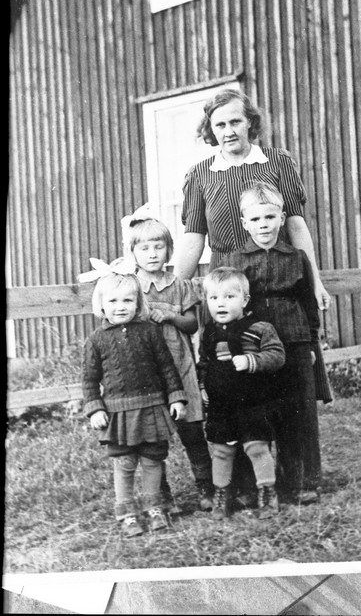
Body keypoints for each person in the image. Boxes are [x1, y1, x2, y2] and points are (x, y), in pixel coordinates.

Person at [173, 87, 332, 503]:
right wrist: (175, 289)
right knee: (237, 385)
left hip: (280, 283)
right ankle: (245, 485)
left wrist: (315, 279)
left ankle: (300, 480)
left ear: (250, 123)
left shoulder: (278, 162)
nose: (228, 131)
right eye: (219, 124)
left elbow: (295, 225)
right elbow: (193, 238)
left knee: (292, 384)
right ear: (210, 129)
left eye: (235, 121)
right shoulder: (200, 174)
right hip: (229, 290)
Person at [220, 182, 323, 503]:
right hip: (253, 345)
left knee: (298, 411)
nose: (263, 225)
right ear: (244, 223)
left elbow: (308, 304)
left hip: (294, 340)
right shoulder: (235, 259)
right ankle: (250, 486)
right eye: (255, 219)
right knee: (252, 411)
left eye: (269, 217)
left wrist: (311, 344)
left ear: (281, 217)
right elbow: (225, 305)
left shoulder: (297, 258)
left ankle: (300, 482)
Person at [82, 271, 187, 538]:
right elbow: (89, 379)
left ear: (138, 303)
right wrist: (95, 408)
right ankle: (127, 513)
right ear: (101, 304)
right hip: (117, 412)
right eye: (113, 301)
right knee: (125, 462)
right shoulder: (96, 340)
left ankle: (154, 507)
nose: (120, 307)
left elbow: (167, 368)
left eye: (127, 301)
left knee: (153, 459)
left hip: (152, 406)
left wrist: (176, 397)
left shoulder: (150, 332)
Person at [125, 213, 214, 513]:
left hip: (181, 365)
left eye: (158, 247)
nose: (152, 254)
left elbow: (192, 324)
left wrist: (171, 316)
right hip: (148, 372)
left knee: (192, 432)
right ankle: (162, 496)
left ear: (169, 250)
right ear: (133, 253)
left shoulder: (180, 285)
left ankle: (207, 488)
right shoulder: (131, 287)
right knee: (154, 437)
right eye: (144, 248)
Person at [197, 267, 286, 519]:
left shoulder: (259, 328)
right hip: (221, 405)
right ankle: (222, 494)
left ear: (245, 300)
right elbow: (204, 363)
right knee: (222, 450)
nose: (221, 303)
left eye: (229, 297)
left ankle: (267, 493)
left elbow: (277, 355)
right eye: (214, 298)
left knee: (257, 447)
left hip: (253, 402)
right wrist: (203, 387)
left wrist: (251, 361)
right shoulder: (209, 332)